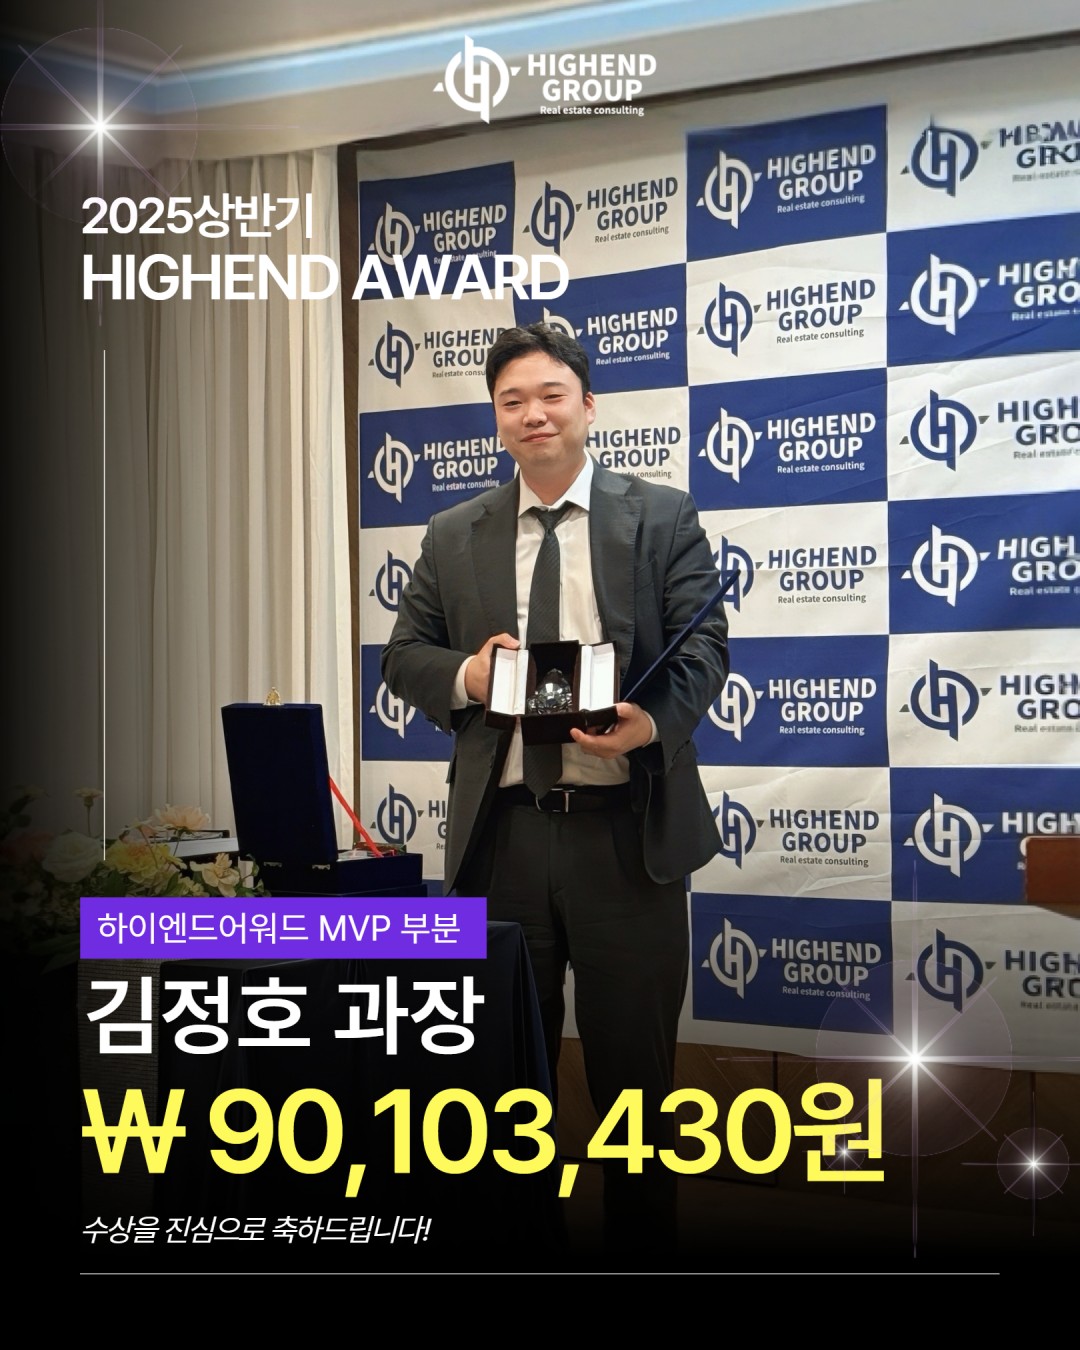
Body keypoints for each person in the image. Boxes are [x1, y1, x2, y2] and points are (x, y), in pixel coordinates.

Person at [382, 324, 728, 1250]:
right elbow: (404, 654)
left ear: (587, 406)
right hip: (502, 839)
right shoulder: (453, 534)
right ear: (496, 418)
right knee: (502, 1089)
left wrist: (648, 723)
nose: (533, 414)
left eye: (551, 395)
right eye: (512, 401)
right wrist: (469, 673)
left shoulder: (661, 517)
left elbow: (704, 646)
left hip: (625, 836)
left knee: (636, 1097)